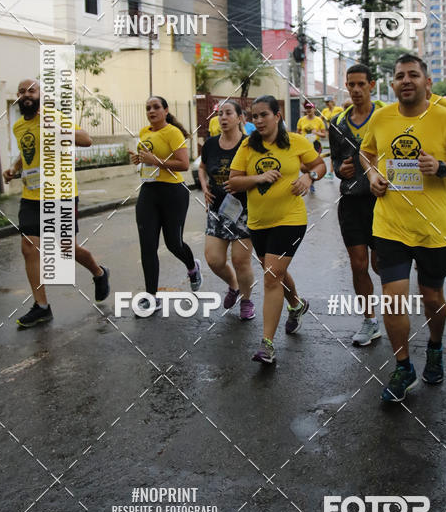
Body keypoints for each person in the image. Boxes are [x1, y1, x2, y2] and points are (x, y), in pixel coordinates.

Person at [360, 54, 446, 402]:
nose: (406, 80)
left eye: (413, 75)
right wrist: (373, 175)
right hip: (390, 225)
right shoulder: (382, 117)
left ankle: (435, 346)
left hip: (433, 228)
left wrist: (442, 167)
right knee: (392, 300)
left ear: (427, 82)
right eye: (400, 75)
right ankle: (403, 366)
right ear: (393, 84)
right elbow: (366, 152)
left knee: (432, 297)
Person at [3, 79, 110, 329]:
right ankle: (41, 307)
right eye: (21, 92)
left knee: (65, 248)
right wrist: (13, 168)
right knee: (29, 248)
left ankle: (99, 272)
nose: (26, 95)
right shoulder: (19, 126)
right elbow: (26, 152)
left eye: (31, 90)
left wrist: (57, 129)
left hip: (60, 193)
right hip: (31, 196)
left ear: (40, 95)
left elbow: (86, 140)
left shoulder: (53, 116)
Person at [227, 95, 326, 364]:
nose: (258, 120)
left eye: (264, 115)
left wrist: (308, 176)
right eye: (254, 116)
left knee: (271, 277)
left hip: (290, 219)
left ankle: (266, 345)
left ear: (277, 115)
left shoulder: (296, 142)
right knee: (275, 273)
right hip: (258, 223)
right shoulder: (248, 146)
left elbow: (319, 164)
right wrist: (258, 177)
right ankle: (296, 305)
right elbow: (233, 182)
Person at [129, 96, 202, 315]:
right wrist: (140, 160)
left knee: (173, 244)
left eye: (156, 107)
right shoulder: (144, 132)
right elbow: (148, 160)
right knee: (147, 246)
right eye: (148, 107)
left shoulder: (173, 133)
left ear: (165, 110)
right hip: (148, 192)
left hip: (173, 193)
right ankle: (152, 297)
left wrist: (155, 161)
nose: (151, 111)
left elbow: (183, 164)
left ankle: (192, 267)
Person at [330, 64, 384, 346]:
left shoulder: (385, 116)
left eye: (361, 84)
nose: (355, 89)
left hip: (382, 203)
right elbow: (335, 162)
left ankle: (397, 312)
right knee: (358, 264)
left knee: (379, 264)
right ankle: (369, 321)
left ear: (371, 85)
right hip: (351, 202)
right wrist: (341, 170)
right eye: (351, 84)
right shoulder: (338, 123)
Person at [199, 100, 255, 321]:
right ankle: (234, 286)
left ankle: (247, 300)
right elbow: (202, 168)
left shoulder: (249, 144)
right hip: (217, 209)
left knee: (241, 261)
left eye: (228, 113)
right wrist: (204, 187)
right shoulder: (211, 144)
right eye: (220, 114)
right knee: (214, 259)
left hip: (244, 210)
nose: (223, 118)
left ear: (240, 117)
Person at [296, 101, 325, 193]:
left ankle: (311, 181)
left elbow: (324, 134)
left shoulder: (319, 120)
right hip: (304, 145)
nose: (308, 110)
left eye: (310, 108)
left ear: (314, 109)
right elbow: (298, 132)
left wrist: (317, 133)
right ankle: (310, 177)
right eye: (307, 108)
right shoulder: (301, 120)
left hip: (315, 144)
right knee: (303, 167)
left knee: (314, 164)